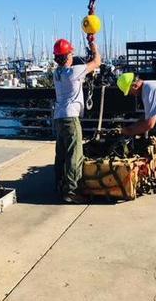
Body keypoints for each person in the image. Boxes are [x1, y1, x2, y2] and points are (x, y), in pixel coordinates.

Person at [53, 38, 101, 203]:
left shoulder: (56, 74)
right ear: (67, 56)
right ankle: (71, 191)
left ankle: (59, 184)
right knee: (75, 155)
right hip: (71, 118)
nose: (73, 55)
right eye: (71, 53)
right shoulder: (74, 72)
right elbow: (97, 61)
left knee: (61, 153)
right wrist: (93, 42)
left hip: (58, 118)